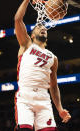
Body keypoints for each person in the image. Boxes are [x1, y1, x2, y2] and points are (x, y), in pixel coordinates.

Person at [14, 0, 71, 131]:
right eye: (39, 28)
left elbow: (54, 85)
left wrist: (60, 109)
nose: (43, 28)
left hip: (43, 99)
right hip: (25, 96)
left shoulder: (53, 58)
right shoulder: (26, 44)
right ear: (32, 35)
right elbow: (18, 19)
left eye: (44, 28)